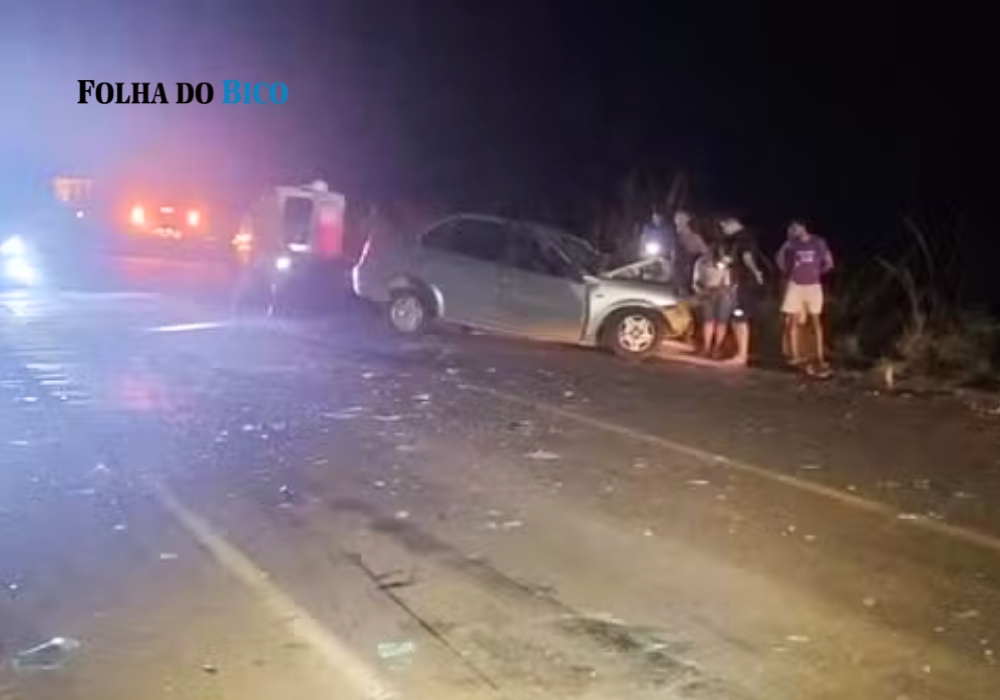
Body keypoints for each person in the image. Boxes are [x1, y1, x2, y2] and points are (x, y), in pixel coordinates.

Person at [776, 219, 834, 375]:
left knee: (816, 321)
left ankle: (820, 357)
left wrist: (817, 273)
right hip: (795, 285)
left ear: (802, 227)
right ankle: (795, 357)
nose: (793, 232)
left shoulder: (818, 242)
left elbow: (829, 262)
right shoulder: (792, 244)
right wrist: (786, 246)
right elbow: (779, 259)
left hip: (813, 286)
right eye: (791, 230)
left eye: (794, 228)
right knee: (793, 321)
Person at [716, 215, 765, 366]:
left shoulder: (745, 237)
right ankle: (740, 353)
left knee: (740, 317)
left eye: (724, 226)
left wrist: (756, 272)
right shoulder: (737, 239)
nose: (723, 230)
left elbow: (747, 256)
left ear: (733, 224)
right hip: (739, 283)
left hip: (745, 283)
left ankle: (742, 355)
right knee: (735, 317)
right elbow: (737, 258)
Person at [638, 211, 676, 282]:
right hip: (650, 251)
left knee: (666, 267)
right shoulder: (648, 227)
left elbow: (672, 243)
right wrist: (641, 250)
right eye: (654, 217)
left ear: (662, 217)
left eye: (658, 216)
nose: (656, 218)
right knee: (644, 260)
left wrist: (672, 257)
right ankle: (645, 274)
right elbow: (643, 238)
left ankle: (663, 277)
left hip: (664, 253)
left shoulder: (668, 228)